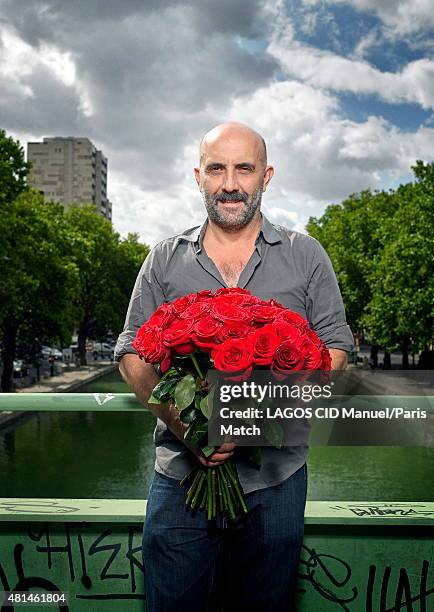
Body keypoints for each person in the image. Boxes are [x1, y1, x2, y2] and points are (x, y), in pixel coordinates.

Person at [115, 122, 354, 611]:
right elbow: (131, 352)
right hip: (179, 479)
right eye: (216, 169)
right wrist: (184, 424)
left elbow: (335, 350)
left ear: (265, 176)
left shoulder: (305, 254)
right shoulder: (163, 258)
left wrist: (253, 415)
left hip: (278, 480)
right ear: (198, 177)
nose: (230, 183)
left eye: (243, 168)